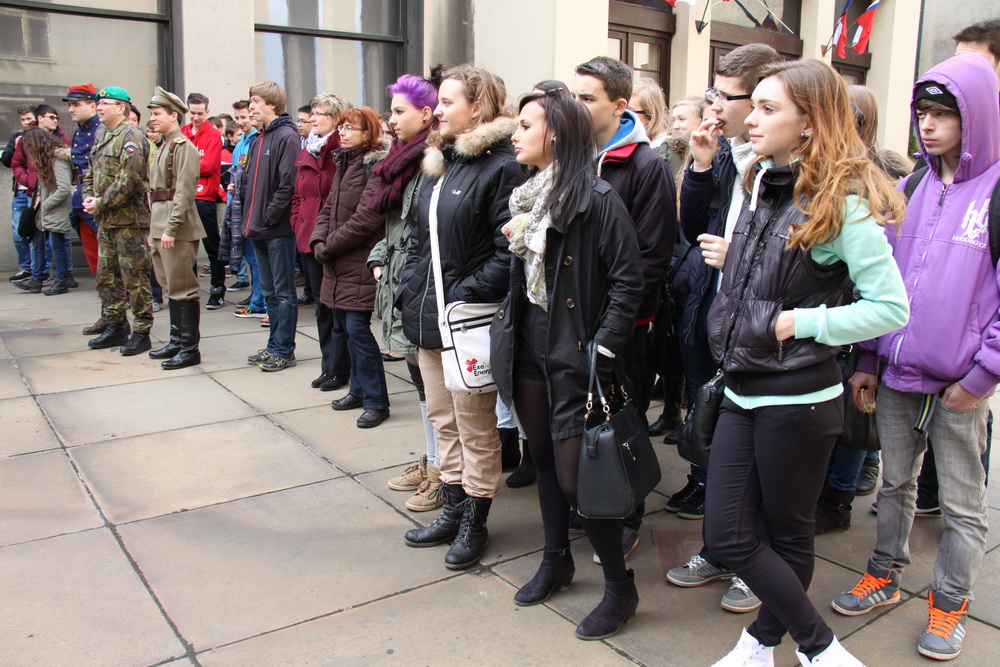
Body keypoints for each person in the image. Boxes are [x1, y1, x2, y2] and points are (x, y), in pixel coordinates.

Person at [703, 59, 908, 667]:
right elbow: (779, 276)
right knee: (729, 536)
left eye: (769, 108)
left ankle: (806, 650)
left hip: (800, 398)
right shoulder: (759, 178)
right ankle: (779, 645)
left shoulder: (843, 202)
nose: (751, 117)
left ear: (810, 124)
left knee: (786, 532)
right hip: (744, 386)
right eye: (755, 104)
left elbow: (891, 308)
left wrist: (805, 322)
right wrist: (733, 270)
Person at [833, 52, 1000, 663]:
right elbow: (885, 283)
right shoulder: (911, 186)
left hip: (961, 383)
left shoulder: (997, 191)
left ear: (975, 116)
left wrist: (982, 375)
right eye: (922, 113)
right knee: (895, 485)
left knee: (961, 503)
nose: (928, 126)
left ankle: (951, 601)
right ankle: (884, 571)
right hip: (898, 373)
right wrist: (870, 360)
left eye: (943, 114)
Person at [491, 88, 644, 640]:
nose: (514, 133)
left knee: (582, 477)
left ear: (554, 133)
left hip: (576, 352)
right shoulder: (529, 195)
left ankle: (620, 588)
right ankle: (557, 559)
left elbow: (630, 281)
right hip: (531, 341)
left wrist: (602, 346)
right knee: (545, 461)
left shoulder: (597, 199)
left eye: (525, 125)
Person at [666, 44, 783, 616]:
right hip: (710, 316)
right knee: (715, 438)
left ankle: (754, 564)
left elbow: (793, 261)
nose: (715, 105)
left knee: (754, 453)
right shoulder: (733, 156)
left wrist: (736, 257)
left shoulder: (786, 167)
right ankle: (721, 548)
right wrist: (704, 164)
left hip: (760, 331)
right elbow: (691, 228)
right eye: (712, 93)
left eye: (725, 96)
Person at [398, 64, 522, 570]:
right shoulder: (440, 162)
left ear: (478, 107)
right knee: (441, 419)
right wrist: (412, 287)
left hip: (467, 322)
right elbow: (417, 239)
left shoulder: (502, 166)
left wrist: (459, 298)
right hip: (430, 315)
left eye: (448, 102)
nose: (438, 110)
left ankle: (475, 519)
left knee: (475, 428)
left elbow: (507, 250)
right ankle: (452, 508)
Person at [572, 55, 676, 562]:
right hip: (572, 317)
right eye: (575, 95)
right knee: (585, 415)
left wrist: (626, 325)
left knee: (622, 417)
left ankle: (628, 514)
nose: (576, 105)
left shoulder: (645, 165)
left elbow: (651, 257)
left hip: (623, 324)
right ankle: (593, 501)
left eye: (587, 97)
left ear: (618, 105)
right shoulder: (570, 155)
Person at [814, 84, 911, 534]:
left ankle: (839, 494)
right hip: (836, 310)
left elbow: (886, 291)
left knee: (855, 412)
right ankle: (837, 484)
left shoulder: (874, 176)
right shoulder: (821, 173)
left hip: (855, 316)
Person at [367, 73, 441, 508]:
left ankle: (440, 470)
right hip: (399, 276)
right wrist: (379, 255)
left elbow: (421, 228)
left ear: (426, 114)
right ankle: (431, 460)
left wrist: (396, 266)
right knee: (419, 382)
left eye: (399, 112)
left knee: (431, 386)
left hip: (417, 283)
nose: (391, 120)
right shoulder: (402, 159)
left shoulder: (429, 161)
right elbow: (397, 225)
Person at [312, 106, 390, 428]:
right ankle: (358, 390)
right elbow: (329, 207)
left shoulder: (375, 166)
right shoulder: (344, 162)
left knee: (357, 329)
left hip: (358, 260)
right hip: (337, 260)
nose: (342, 133)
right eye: (341, 127)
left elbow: (367, 219)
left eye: (350, 128)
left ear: (368, 134)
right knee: (344, 327)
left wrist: (328, 246)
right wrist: (318, 240)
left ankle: (376, 401)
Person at [82, 86, 154, 356]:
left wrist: (101, 202)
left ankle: (142, 330)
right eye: (98, 103)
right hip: (106, 220)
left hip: (129, 223)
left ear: (121, 108)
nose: (99, 107)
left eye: (106, 103)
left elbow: (129, 179)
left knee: (134, 279)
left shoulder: (132, 136)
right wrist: (89, 197)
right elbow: (91, 169)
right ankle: (115, 325)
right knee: (107, 277)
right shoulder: (103, 134)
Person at [290, 93, 350, 392]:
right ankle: (330, 365)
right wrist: (297, 222)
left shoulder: (339, 149)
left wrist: (327, 237)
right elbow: (297, 194)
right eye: (312, 112)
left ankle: (339, 368)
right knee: (321, 305)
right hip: (307, 237)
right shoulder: (308, 150)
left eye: (321, 113)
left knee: (335, 307)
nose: (314, 118)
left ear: (337, 118)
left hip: (330, 241)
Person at [146, 87, 207, 370]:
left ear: (173, 115)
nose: (153, 118)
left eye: (157, 113)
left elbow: (183, 193)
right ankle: (176, 341)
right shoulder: (165, 145)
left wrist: (170, 228)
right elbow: (156, 192)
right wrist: (154, 229)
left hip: (177, 226)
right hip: (161, 223)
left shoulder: (183, 147)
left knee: (183, 288)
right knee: (170, 287)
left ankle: (188, 348)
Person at [241, 81, 301, 372]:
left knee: (283, 291)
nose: (251, 106)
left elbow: (287, 185)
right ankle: (273, 345)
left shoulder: (286, 137)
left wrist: (267, 218)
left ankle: (284, 349)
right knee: (269, 292)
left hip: (275, 230)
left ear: (272, 104)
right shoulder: (258, 139)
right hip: (258, 229)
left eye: (255, 101)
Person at [181, 92, 227, 310]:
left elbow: (208, 166)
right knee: (186, 247)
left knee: (211, 245)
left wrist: (186, 167)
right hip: (185, 196)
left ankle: (217, 289)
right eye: (192, 113)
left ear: (207, 112)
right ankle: (189, 288)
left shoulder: (212, 135)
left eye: (200, 113)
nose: (196, 117)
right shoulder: (183, 132)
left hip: (204, 197)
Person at [17, 128, 73, 295]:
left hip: (56, 209)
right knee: (39, 243)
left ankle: (61, 280)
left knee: (57, 245)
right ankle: (37, 279)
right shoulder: (47, 158)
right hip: (48, 208)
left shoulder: (57, 158)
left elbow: (63, 188)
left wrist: (45, 204)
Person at [64, 84, 102, 300]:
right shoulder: (81, 129)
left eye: (76, 105)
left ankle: (117, 300)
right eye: (70, 105)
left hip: (96, 200)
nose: (71, 110)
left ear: (93, 105)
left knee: (106, 256)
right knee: (93, 257)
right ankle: (108, 302)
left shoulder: (100, 130)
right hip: (82, 198)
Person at [3, 106, 37, 283]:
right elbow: (8, 161)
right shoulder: (17, 136)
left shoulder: (42, 136)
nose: (26, 123)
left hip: (37, 192)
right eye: (23, 120)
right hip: (20, 192)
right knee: (19, 233)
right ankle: (26, 267)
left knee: (37, 235)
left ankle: (39, 270)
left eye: (29, 119)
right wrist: (15, 146)